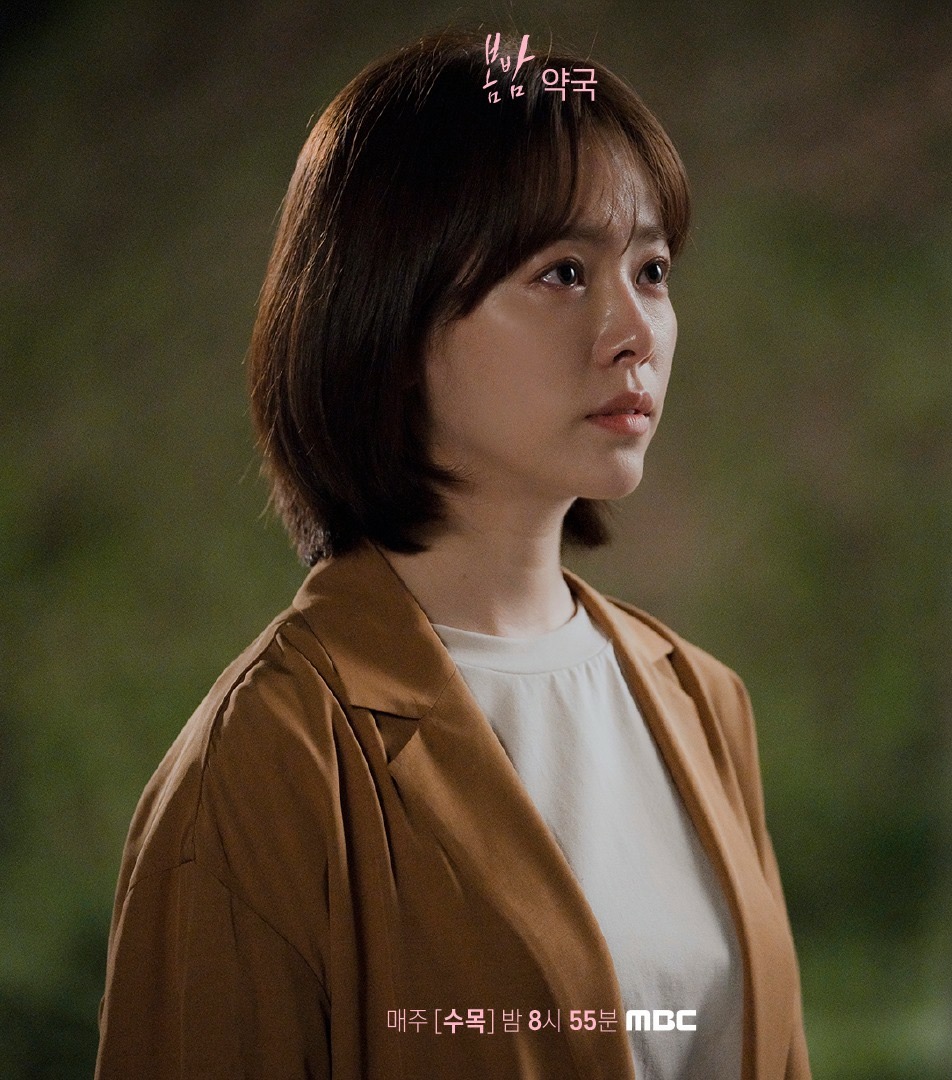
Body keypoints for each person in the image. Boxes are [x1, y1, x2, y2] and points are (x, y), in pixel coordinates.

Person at [95, 29, 811, 1080]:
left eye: (652, 270)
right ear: (390, 315)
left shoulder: (703, 702)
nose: (635, 331)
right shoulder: (268, 763)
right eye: (563, 272)